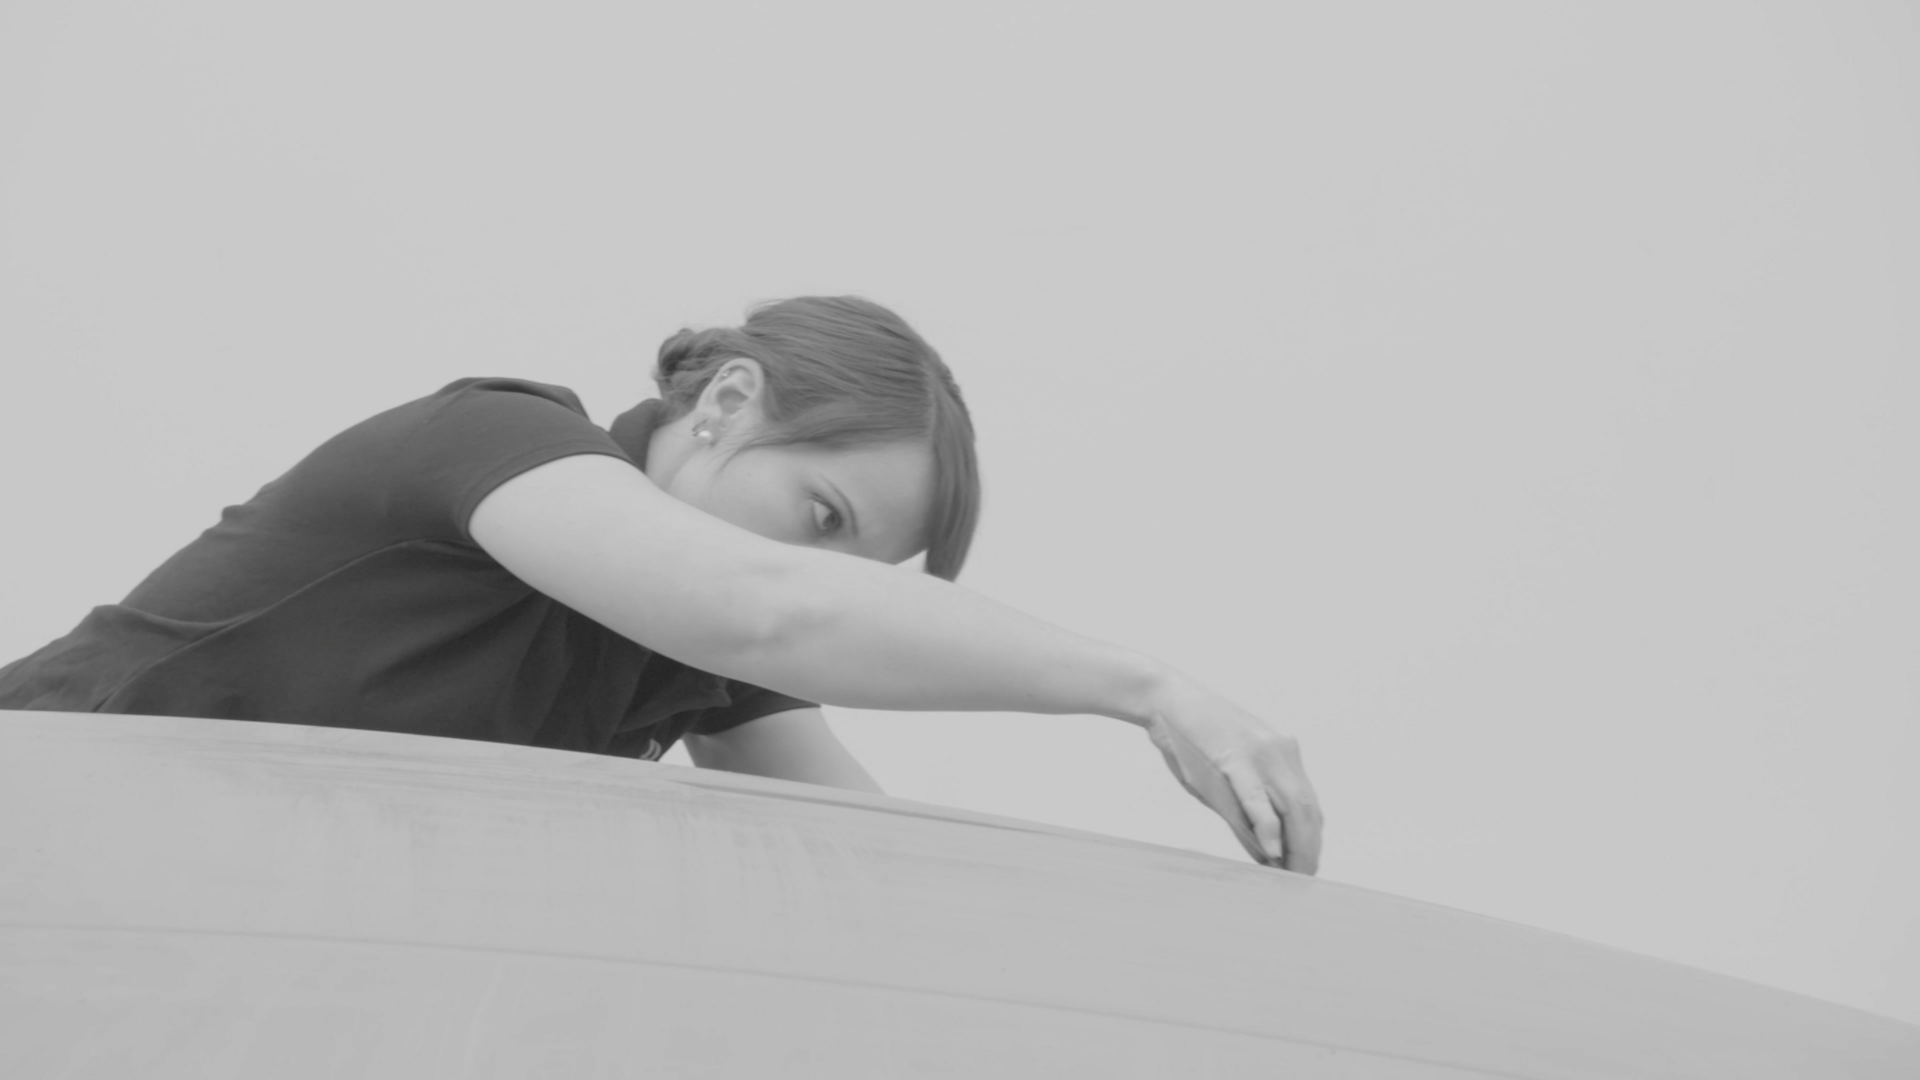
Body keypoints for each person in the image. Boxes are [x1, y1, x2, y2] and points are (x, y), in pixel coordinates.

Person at [0, 296, 1323, 873]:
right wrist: (1151, 691)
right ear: (731, 403)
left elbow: (883, 864)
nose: (823, 578)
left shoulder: (706, 645)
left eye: (862, 567)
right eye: (823, 516)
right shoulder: (504, 440)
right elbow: (766, 605)